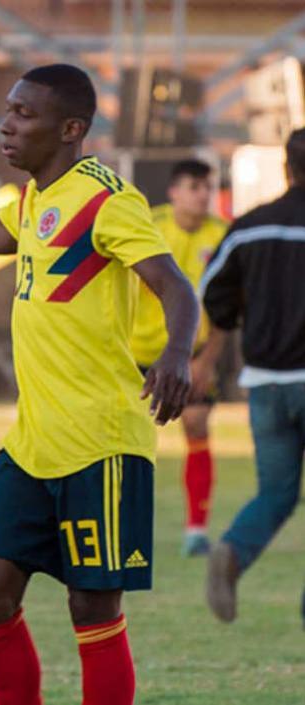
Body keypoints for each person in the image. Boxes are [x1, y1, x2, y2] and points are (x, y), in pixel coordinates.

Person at [0, 63, 197, 705]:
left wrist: (178, 354)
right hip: (32, 443)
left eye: (24, 113)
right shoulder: (32, 200)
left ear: (71, 129)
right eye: (8, 110)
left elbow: (175, 286)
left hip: (101, 441)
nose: (7, 125)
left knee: (91, 605)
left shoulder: (107, 200)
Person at [201, 127, 305, 624]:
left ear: (287, 168)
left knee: (276, 493)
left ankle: (233, 551)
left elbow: (213, 289)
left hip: (265, 383)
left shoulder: (249, 227)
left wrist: (237, 320)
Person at [129, 159, 228, 557]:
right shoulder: (147, 226)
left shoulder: (221, 235)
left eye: (207, 188)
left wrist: (207, 360)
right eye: (194, 187)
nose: (203, 195)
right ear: (174, 192)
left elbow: (229, 305)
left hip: (190, 355)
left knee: (197, 424)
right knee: (123, 439)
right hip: (134, 352)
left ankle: (196, 530)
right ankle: (119, 525)